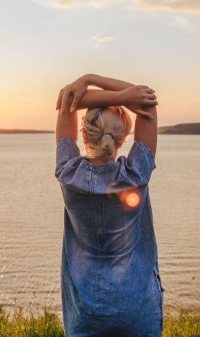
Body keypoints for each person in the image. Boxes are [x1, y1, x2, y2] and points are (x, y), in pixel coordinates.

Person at [54, 74, 163, 337]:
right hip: (138, 309)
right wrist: (111, 89)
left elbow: (67, 99)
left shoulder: (68, 174)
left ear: (83, 134)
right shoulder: (136, 174)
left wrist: (90, 82)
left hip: (86, 312)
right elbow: (147, 101)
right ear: (122, 138)